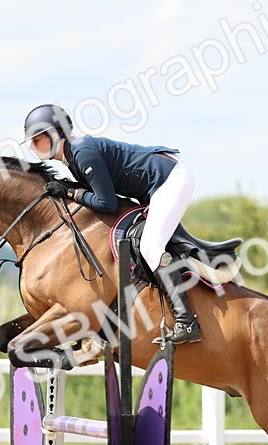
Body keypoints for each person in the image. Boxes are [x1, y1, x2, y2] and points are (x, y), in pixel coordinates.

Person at [23, 103, 201, 344]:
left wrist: (71, 192)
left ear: (56, 134)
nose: (34, 146)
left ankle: (186, 321)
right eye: (32, 141)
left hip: (169, 179)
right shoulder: (73, 157)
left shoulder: (81, 152)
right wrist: (72, 189)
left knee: (150, 246)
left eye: (38, 139)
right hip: (156, 184)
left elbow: (106, 203)